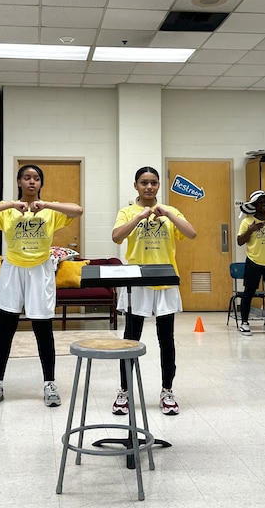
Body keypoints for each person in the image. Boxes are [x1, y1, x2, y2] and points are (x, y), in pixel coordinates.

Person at [0, 164, 82, 408]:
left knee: (43, 329)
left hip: (40, 270)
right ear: (19, 182)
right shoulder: (8, 210)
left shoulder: (50, 211)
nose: (31, 182)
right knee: (5, 329)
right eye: (26, 178)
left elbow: (78, 210)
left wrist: (48, 205)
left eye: (36, 178)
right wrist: (11, 205)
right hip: (12, 269)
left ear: (41, 184)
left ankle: (49, 384)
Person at [111, 166, 197, 416]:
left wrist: (168, 214)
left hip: (166, 280)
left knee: (166, 340)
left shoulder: (170, 212)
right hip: (137, 281)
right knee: (130, 340)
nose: (149, 187)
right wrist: (139, 217)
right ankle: (124, 392)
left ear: (158, 185)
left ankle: (167, 391)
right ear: (135, 185)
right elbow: (116, 237)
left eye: (153, 183)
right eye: (144, 183)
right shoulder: (127, 211)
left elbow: (191, 233)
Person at [236, 190, 265, 336]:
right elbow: (239, 241)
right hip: (254, 261)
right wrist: (250, 230)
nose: (263, 204)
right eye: (260, 202)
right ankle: (244, 323)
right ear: (254, 205)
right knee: (249, 292)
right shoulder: (247, 222)